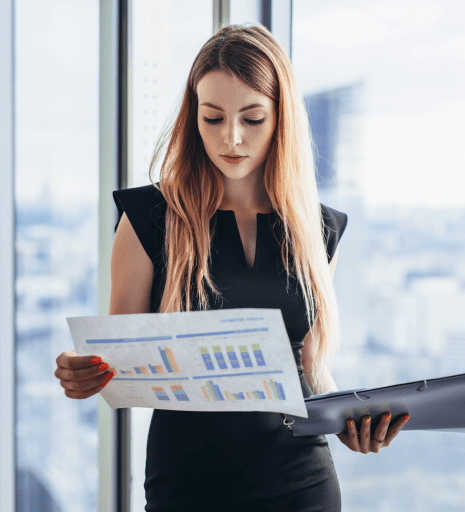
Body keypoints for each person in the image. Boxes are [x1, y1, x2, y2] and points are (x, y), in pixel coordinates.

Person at [54, 23, 409, 511]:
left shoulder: (319, 230)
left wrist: (350, 425)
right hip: (187, 483)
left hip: (301, 483)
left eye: (253, 118)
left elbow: (308, 373)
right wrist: (84, 371)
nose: (233, 138)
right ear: (192, 117)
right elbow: (120, 360)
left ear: (281, 119)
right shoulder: (149, 220)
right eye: (213, 118)